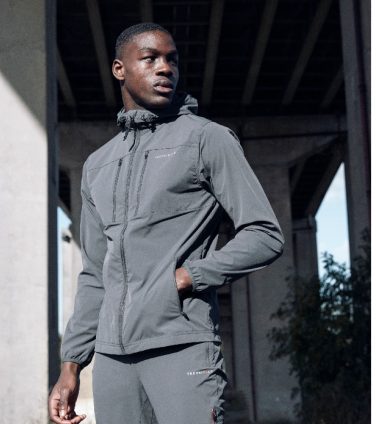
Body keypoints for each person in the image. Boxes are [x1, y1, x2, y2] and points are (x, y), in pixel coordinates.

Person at [48, 23, 284, 424]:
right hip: (113, 360)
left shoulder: (207, 139)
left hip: (181, 346)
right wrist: (71, 364)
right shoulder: (97, 165)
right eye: (150, 58)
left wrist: (188, 277)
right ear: (120, 69)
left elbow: (265, 235)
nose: (165, 68)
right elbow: (95, 274)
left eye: (171, 59)